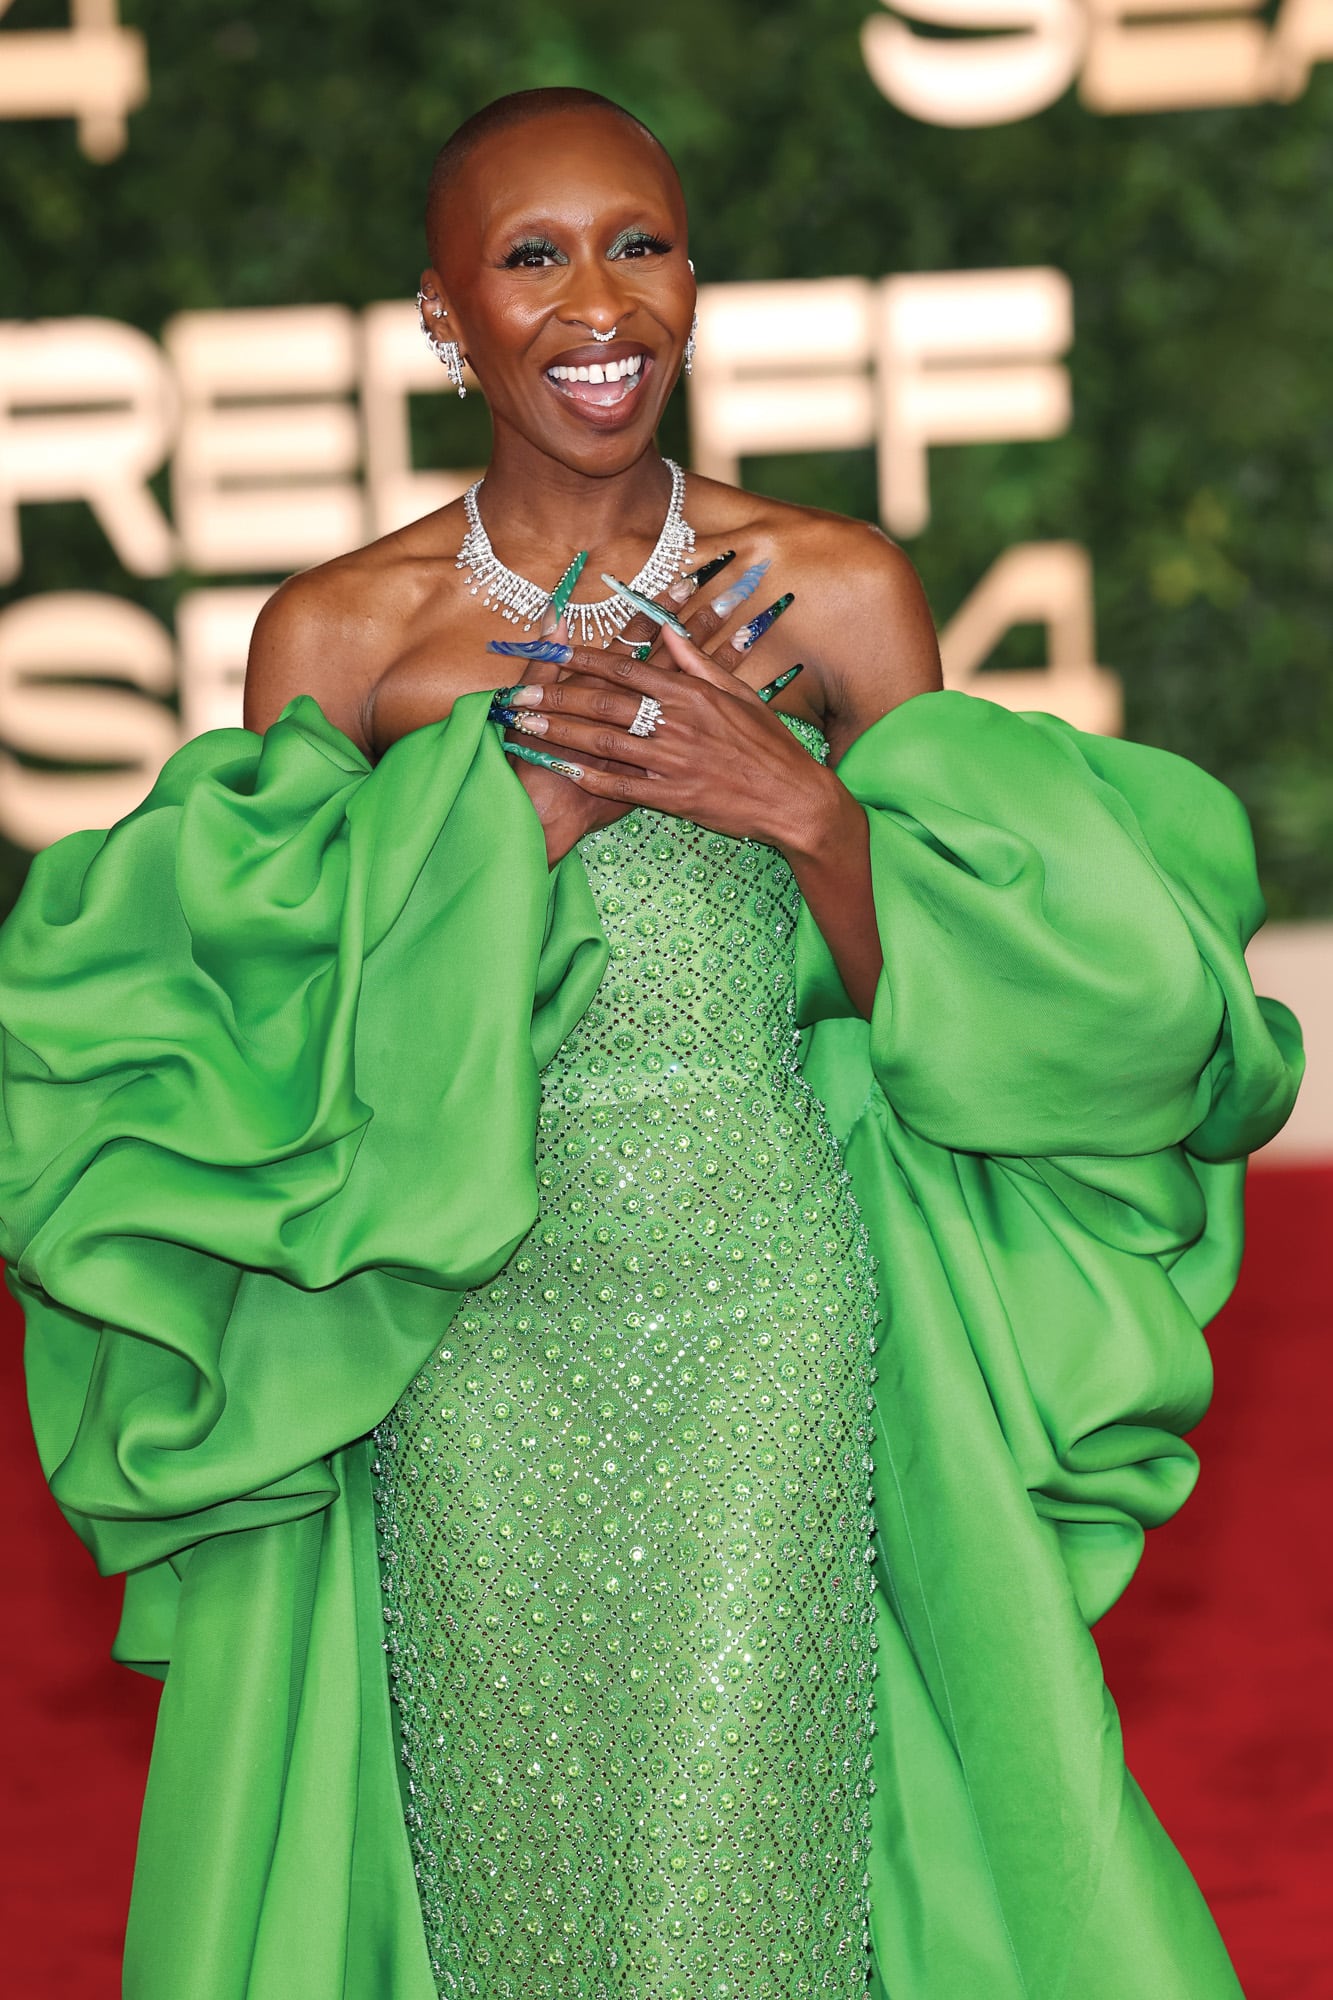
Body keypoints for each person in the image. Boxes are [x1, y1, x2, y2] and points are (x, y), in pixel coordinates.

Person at [0, 87, 1301, 2000]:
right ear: (444, 317)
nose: (596, 302)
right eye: (530, 256)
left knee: (742, 1856)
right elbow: (275, 1046)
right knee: (507, 1866)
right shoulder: (342, 637)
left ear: (692, 279)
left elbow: (970, 1004)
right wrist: (511, 822)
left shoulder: (834, 590)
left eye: (641, 245)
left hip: (772, 1301)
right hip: (467, 1340)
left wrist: (800, 809)